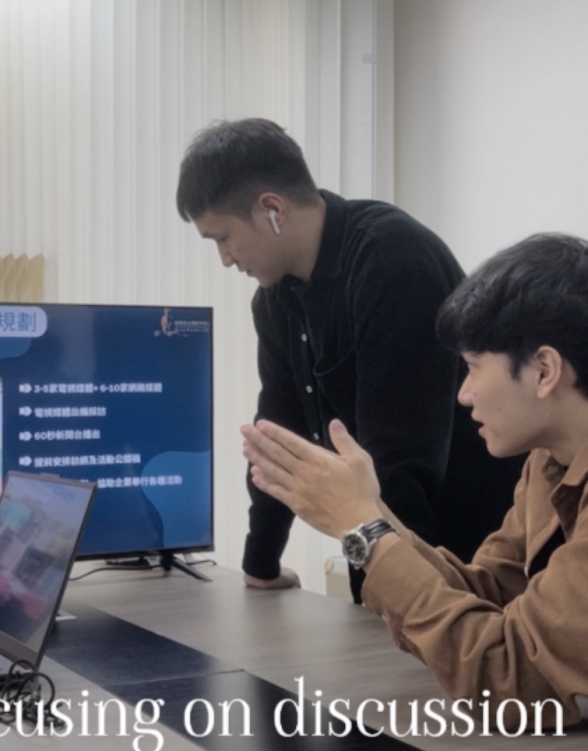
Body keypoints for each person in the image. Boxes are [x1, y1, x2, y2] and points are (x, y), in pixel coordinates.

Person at [242, 234, 588, 729]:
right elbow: (492, 589)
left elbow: (512, 683)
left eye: (473, 368)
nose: (464, 394)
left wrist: (364, 531)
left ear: (544, 370)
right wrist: (369, 513)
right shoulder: (548, 461)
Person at [176, 118, 523, 601]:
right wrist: (260, 564)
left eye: (222, 238)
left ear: (272, 209)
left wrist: (381, 607)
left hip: (474, 553)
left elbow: (397, 463)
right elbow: (278, 435)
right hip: (400, 554)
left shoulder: (392, 261)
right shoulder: (276, 300)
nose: (226, 259)